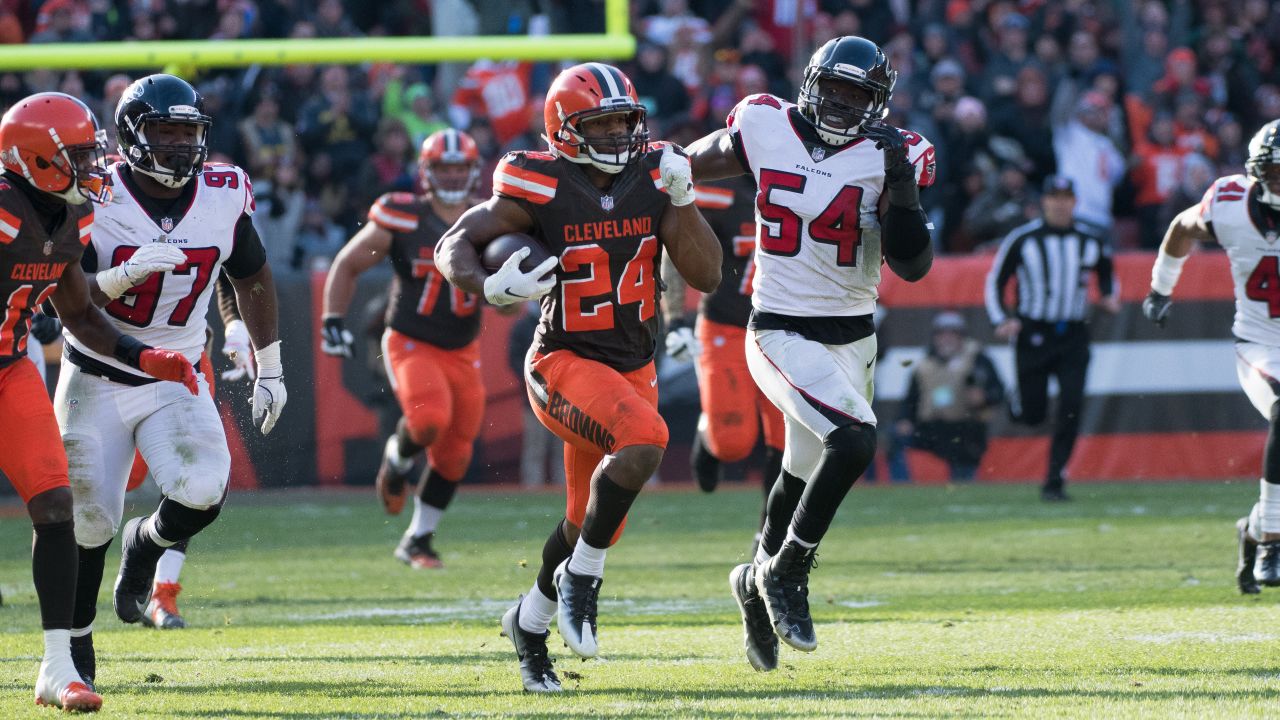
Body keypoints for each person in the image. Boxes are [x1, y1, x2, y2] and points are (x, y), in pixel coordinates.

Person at [436, 62, 720, 692]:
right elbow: (453, 243)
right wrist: (485, 284)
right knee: (645, 440)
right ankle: (584, 579)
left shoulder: (654, 175)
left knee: (586, 518)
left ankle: (529, 622)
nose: (621, 134)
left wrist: (685, 198)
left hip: (633, 364)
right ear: (564, 129)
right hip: (561, 361)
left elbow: (706, 277)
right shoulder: (535, 181)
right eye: (604, 123)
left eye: (627, 121)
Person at [686, 35, 936, 672]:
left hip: (854, 338)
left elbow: (911, 266)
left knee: (796, 469)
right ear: (812, 82)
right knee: (853, 440)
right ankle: (789, 570)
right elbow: (685, 168)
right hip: (778, 329)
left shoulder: (895, 154)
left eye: (858, 93)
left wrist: (902, 187)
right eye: (835, 87)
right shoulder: (765, 124)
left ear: (877, 101)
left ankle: (753, 579)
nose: (842, 102)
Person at [57, 74, 285, 691]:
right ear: (132, 135)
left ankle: (148, 543)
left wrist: (270, 363)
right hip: (97, 373)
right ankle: (75, 653)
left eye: (188, 133)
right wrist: (120, 276)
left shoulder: (222, 190)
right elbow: (61, 300)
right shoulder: (91, 191)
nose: (180, 147)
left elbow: (254, 276)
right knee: (87, 520)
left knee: (203, 489)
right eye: (164, 132)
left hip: (176, 372)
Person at [0, 91, 198, 712]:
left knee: (57, 503)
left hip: (7, 368)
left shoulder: (70, 216)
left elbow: (80, 314)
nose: (94, 166)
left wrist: (143, 356)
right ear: (37, 159)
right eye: (80, 155)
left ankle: (58, 669)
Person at [321, 128, 491, 569]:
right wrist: (332, 317)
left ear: (473, 171)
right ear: (426, 172)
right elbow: (349, 262)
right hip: (411, 339)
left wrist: (512, 290)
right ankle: (396, 460)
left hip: (463, 348)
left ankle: (418, 539)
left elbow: (507, 310)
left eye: (459, 167)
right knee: (429, 418)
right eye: (444, 167)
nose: (453, 176)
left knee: (456, 453)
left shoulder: (493, 220)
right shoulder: (404, 215)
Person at [1142, 119, 1280, 594]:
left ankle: (1252, 530)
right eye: (1274, 171)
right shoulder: (1230, 204)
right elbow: (1181, 228)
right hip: (1261, 345)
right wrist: (1161, 288)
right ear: (1256, 173)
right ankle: (1273, 540)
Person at [119, 274, 253, 630]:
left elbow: (233, 261)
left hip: (186, 354)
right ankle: (71, 596)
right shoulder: (104, 216)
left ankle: (163, 593)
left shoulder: (211, 216)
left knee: (193, 480)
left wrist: (235, 325)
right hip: (114, 357)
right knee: (105, 484)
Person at [661, 174, 784, 550]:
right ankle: (708, 433)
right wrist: (676, 319)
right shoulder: (722, 187)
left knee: (789, 440)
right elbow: (678, 249)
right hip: (726, 326)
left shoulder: (813, 181)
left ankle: (769, 533)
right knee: (732, 444)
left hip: (785, 330)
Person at [984, 175, 1119, 502]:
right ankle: (1015, 398)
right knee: (1034, 414)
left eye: (1065, 197)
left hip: (1073, 333)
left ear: (1074, 201)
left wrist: (1109, 297)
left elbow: (1108, 276)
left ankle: (1054, 480)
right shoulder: (1024, 239)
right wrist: (1003, 319)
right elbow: (996, 281)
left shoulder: (1090, 239)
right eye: (1053, 197)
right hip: (1034, 332)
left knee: (1071, 406)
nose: (1060, 203)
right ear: (1042, 202)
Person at [887, 311, 1004, 482]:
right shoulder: (924, 365)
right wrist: (904, 419)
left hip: (964, 427)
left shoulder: (978, 360)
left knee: (964, 459)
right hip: (931, 427)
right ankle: (902, 485)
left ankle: (963, 485)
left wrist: (984, 397)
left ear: (961, 337)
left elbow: (998, 391)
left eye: (952, 333)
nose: (946, 338)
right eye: (942, 333)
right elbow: (911, 399)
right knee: (896, 436)